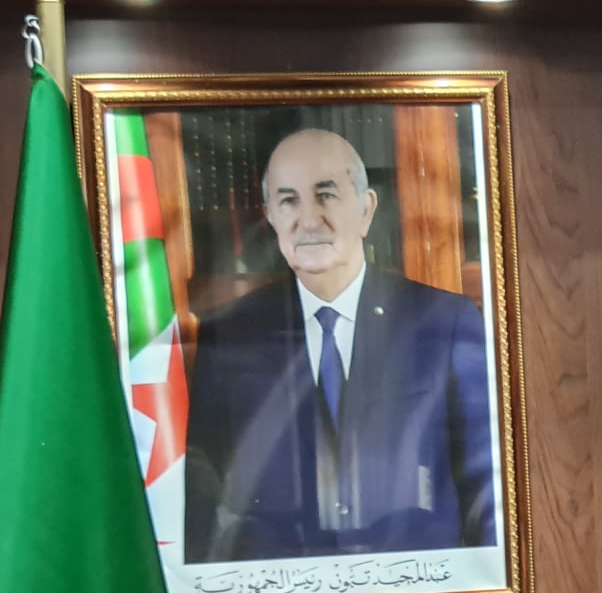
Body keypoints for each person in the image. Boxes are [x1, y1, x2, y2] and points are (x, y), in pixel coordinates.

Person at [183, 127, 498, 564]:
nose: (309, 220)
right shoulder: (230, 334)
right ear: (270, 216)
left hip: (417, 587)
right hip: (280, 591)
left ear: (366, 210)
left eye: (326, 195)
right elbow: (202, 485)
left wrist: (485, 590)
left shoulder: (443, 323)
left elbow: (488, 484)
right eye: (289, 201)